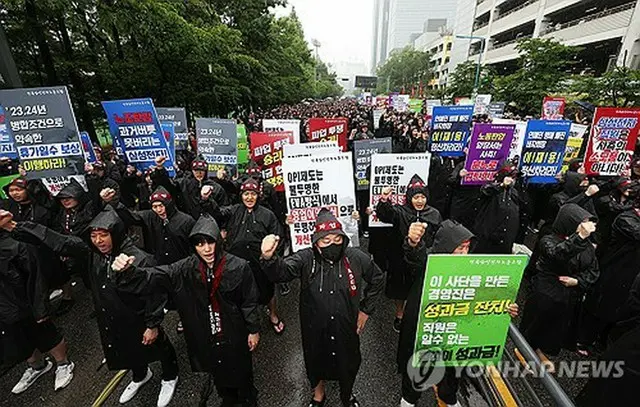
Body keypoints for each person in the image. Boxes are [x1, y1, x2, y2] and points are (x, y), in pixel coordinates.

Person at [5, 207, 179, 406]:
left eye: (104, 235)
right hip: (111, 317)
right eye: (94, 235)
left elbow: (155, 294)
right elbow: (58, 240)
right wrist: (14, 227)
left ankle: (170, 375)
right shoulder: (91, 254)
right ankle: (140, 375)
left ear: (116, 233)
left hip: (138, 317)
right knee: (125, 348)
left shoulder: (140, 258)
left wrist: (153, 324)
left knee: (159, 347)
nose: (98, 240)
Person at [112, 214, 261, 407]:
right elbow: (157, 275)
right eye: (200, 244)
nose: (206, 249)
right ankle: (227, 397)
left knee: (241, 371)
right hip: (206, 332)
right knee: (217, 370)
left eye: (210, 242)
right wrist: (129, 272)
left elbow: (249, 301)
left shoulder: (239, 266)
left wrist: (254, 330)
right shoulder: (186, 268)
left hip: (234, 332)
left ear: (218, 241)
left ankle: (248, 398)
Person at [260, 208, 385, 407]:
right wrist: (268, 258)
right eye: (325, 241)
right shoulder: (305, 258)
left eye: (337, 239)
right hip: (314, 326)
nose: (332, 244)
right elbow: (282, 272)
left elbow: (377, 279)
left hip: (346, 325)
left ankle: (347, 395)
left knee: (348, 361)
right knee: (315, 360)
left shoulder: (355, 257)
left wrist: (366, 310)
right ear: (316, 242)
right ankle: (318, 395)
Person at [397, 219, 519, 407]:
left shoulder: (471, 269)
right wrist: (413, 243)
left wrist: (503, 307)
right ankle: (409, 400)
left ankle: (449, 397)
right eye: (459, 247)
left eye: (467, 248)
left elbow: (484, 295)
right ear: (445, 246)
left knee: (452, 368)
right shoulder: (429, 261)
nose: (464, 253)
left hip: (455, 331)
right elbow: (415, 257)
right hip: (425, 328)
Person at [0, 210, 74, 395]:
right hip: (4, 309)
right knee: (19, 341)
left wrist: (40, 308)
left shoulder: (16, 244)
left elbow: (36, 279)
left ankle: (63, 363)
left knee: (46, 334)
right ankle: (37, 366)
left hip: (24, 302)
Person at [520, 203, 599, 370]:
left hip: (568, 293)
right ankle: (523, 351)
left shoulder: (587, 245)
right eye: (581, 222)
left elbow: (593, 270)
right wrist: (579, 238)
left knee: (554, 327)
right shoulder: (548, 239)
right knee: (536, 323)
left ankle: (539, 350)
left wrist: (578, 281)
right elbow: (558, 254)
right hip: (546, 291)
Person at [202, 177, 285, 334]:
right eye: (246, 194)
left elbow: (278, 237)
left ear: (258, 195)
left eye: (253, 194)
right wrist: (207, 199)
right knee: (240, 294)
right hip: (237, 264)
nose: (249, 197)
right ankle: (246, 322)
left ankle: (273, 315)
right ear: (241, 195)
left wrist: (272, 260)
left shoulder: (268, 215)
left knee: (267, 292)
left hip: (260, 264)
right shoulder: (234, 210)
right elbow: (217, 213)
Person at [376, 174, 442, 332]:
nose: (420, 200)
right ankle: (400, 314)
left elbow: (439, 236)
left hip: (424, 258)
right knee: (400, 289)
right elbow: (384, 214)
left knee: (421, 288)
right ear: (409, 198)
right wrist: (384, 200)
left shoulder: (434, 214)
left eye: (423, 197)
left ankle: (419, 314)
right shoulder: (400, 211)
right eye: (416, 197)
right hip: (400, 258)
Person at [473, 162, 521, 254]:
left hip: (506, 240)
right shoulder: (491, 187)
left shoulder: (514, 192)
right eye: (511, 176)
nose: (513, 180)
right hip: (488, 241)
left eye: (514, 177)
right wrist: (501, 185)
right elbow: (486, 190)